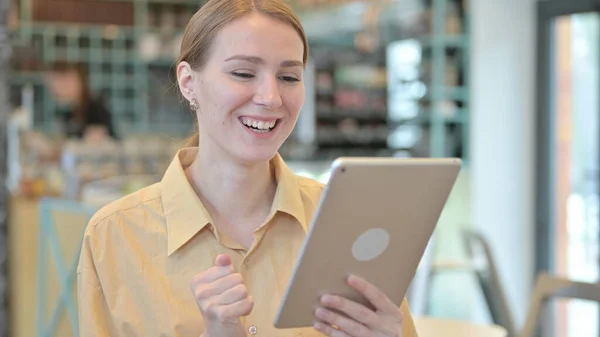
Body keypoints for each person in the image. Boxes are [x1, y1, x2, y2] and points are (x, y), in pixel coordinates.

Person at [76, 0, 419, 336]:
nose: (271, 97)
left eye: (289, 76)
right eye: (243, 73)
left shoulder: (346, 222)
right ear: (188, 82)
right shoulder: (114, 237)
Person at [44, 61, 117, 140]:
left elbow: (97, 140)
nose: (53, 91)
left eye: (57, 84)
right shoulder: (67, 111)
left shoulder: (95, 108)